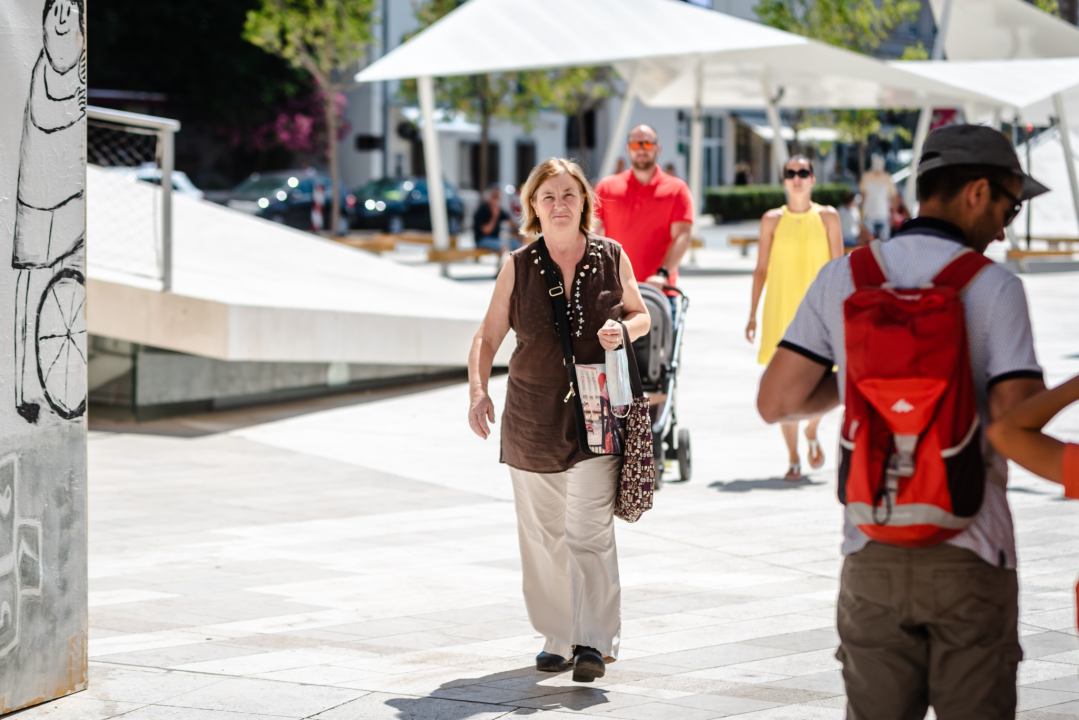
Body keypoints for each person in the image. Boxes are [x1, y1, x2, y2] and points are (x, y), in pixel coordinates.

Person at [757, 124, 1049, 719]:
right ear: (974, 192)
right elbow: (1017, 430)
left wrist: (870, 377)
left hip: (871, 551)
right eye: (1008, 206)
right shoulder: (994, 287)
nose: (1003, 227)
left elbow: (776, 402)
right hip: (971, 551)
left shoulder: (844, 277)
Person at [466, 158, 650, 683]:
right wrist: (479, 391)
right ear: (533, 207)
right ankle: (556, 635)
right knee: (544, 536)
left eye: (569, 194)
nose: (559, 204)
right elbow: (486, 336)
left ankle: (592, 642)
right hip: (530, 417)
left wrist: (624, 329)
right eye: (548, 196)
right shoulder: (518, 265)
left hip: (597, 415)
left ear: (584, 202)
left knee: (589, 531)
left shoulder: (612, 256)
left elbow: (642, 313)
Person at [746, 156, 843, 479]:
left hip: (821, 314)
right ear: (784, 180)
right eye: (791, 173)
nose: (797, 178)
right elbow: (760, 269)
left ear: (813, 179)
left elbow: (838, 269)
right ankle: (792, 457)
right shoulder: (771, 219)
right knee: (785, 384)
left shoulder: (828, 216)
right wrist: (752, 315)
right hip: (781, 310)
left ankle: (812, 431)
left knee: (826, 377)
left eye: (803, 172)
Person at [593, 125, 694, 294]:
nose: (641, 149)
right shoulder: (607, 187)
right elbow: (591, 232)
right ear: (628, 149)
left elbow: (683, 236)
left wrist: (663, 274)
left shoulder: (677, 189)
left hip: (659, 290)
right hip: (615, 289)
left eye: (647, 144)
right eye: (635, 144)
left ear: (658, 148)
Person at [473, 186, 519, 255]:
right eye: (494, 197)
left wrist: (519, 234)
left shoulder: (499, 210)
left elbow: (512, 224)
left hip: (496, 240)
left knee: (517, 243)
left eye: (498, 198)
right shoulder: (483, 210)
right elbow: (486, 231)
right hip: (482, 240)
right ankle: (503, 265)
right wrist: (494, 216)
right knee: (504, 246)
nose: (496, 200)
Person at [860, 154, 897, 240]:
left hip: (883, 214)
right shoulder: (866, 176)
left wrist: (893, 214)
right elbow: (863, 195)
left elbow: (893, 197)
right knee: (870, 241)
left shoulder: (887, 178)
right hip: (869, 214)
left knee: (884, 241)